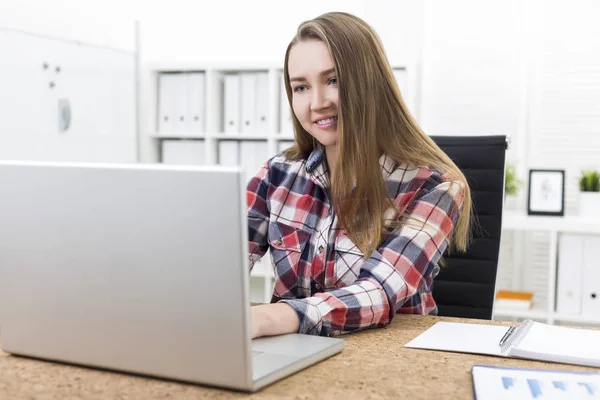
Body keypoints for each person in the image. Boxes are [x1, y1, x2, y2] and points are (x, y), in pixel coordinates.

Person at [247, 12, 472, 339]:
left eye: (333, 80)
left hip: (388, 361)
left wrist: (267, 318)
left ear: (369, 82)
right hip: (290, 357)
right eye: (301, 87)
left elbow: (379, 292)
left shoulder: (434, 187)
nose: (317, 103)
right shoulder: (275, 175)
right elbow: (221, 266)